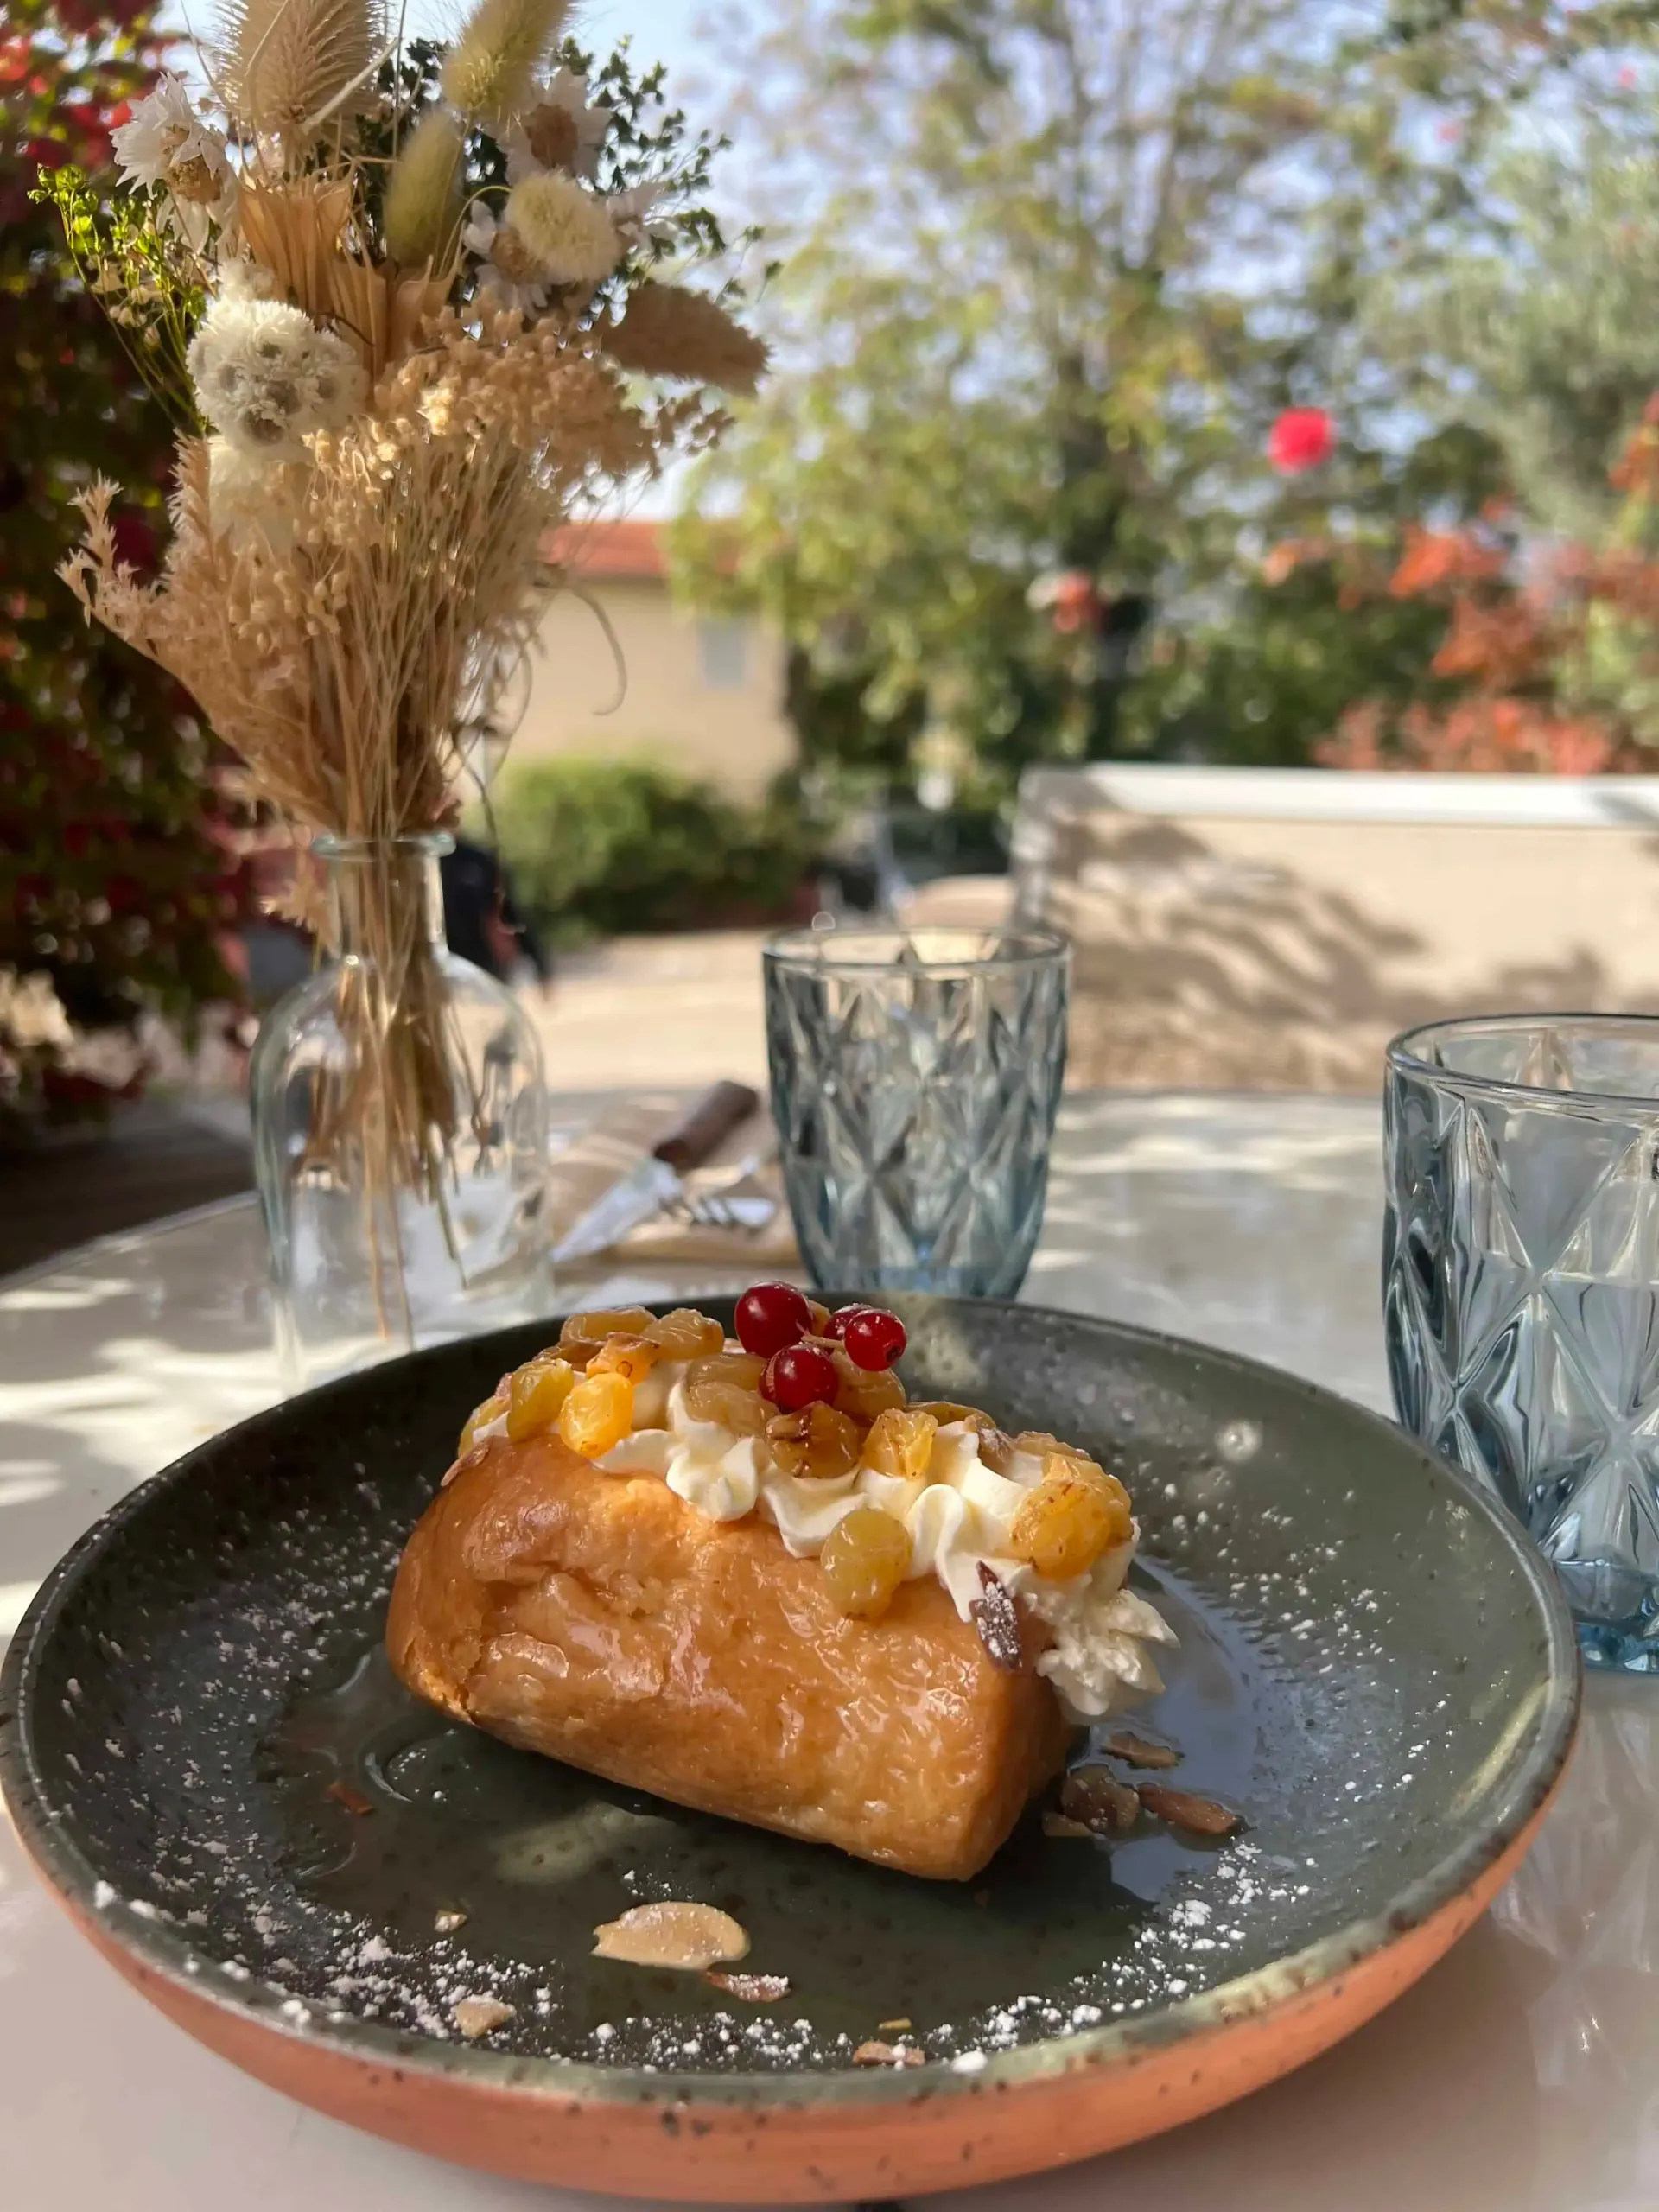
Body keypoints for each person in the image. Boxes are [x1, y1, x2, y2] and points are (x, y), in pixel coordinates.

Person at [439, 837, 549, 988]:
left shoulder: (479, 860)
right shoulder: (415, 863)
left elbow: (510, 913)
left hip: (487, 963)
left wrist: (541, 966)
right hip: (441, 964)